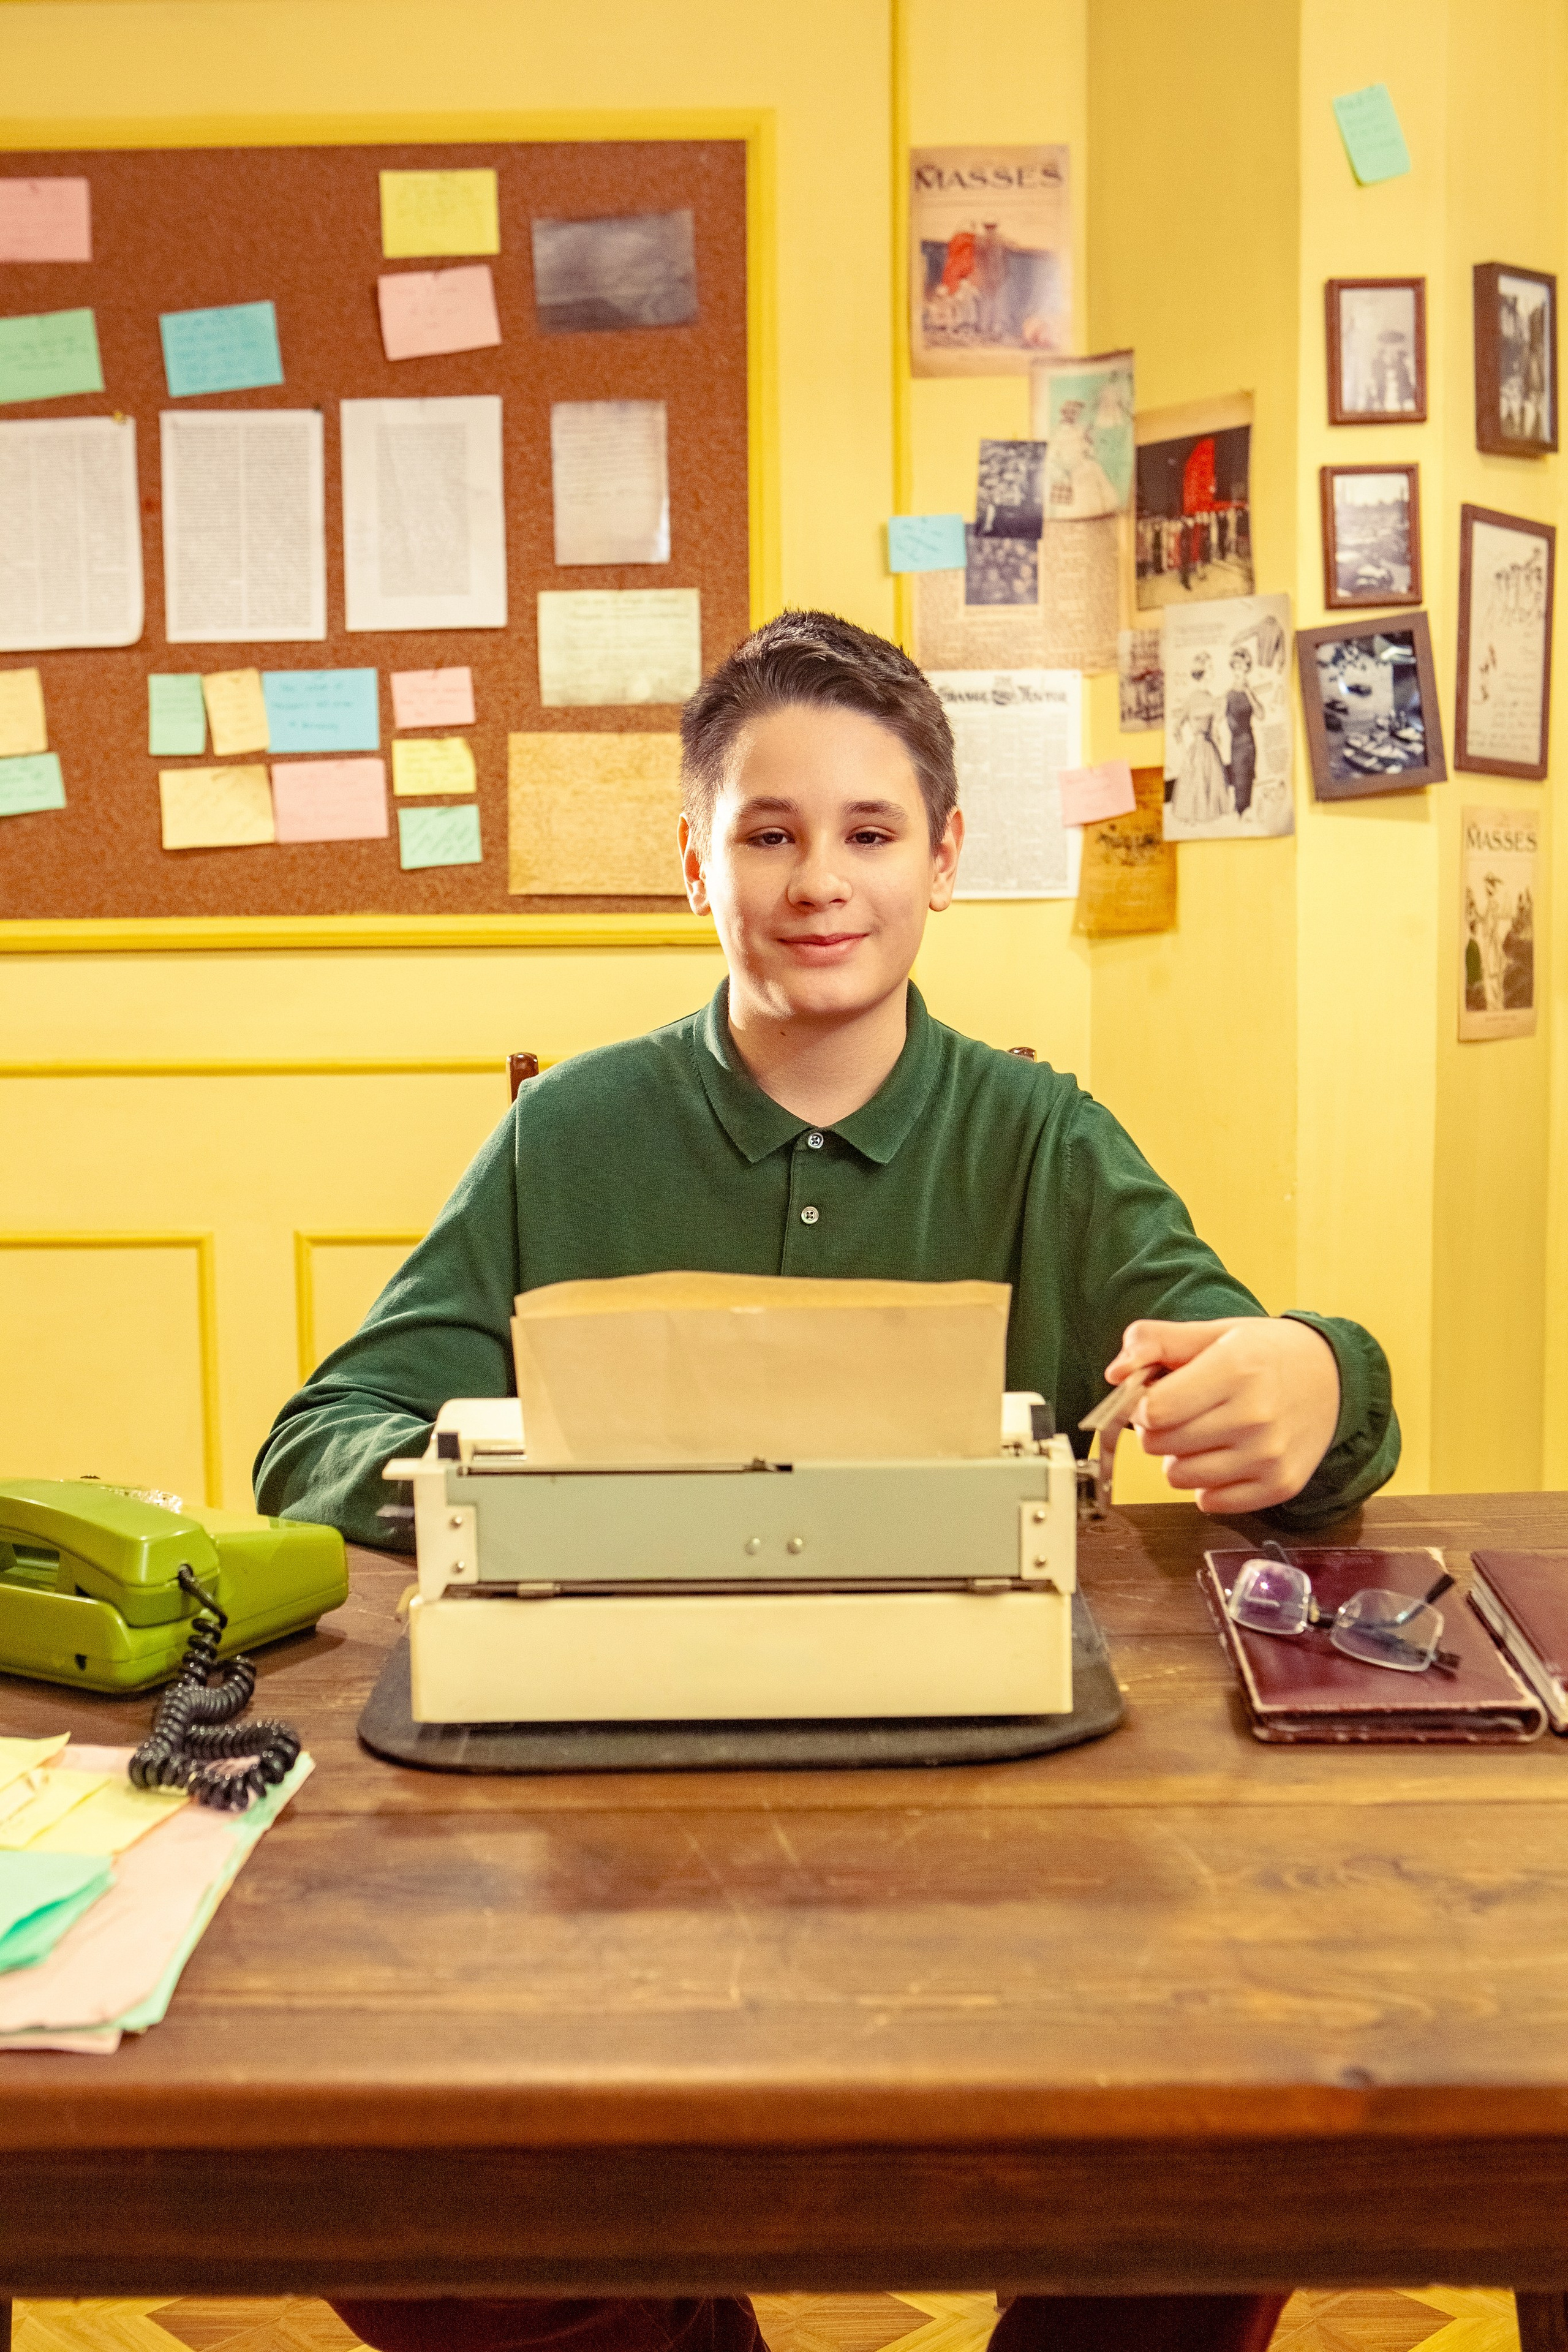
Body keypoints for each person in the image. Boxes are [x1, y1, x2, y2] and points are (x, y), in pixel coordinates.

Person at [256, 612, 1398, 2352]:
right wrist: (531, 1484)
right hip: (611, 1832)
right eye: (766, 834)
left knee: (1220, 2173)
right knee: (405, 2189)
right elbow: (320, 1440)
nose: (816, 882)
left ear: (945, 856)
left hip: (997, 1820)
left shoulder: (1038, 1137)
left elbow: (1275, 1401)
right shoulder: (567, 1134)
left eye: (868, 833)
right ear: (691, 862)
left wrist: (1315, 1379)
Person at [1169, 652, 1232, 827]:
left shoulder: (1213, 698)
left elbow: (1217, 727)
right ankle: (1195, 816)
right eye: (1210, 667)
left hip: (1210, 748)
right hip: (1197, 748)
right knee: (1195, 782)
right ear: (1203, 671)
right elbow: (1176, 729)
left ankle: (1207, 816)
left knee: (1211, 783)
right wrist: (1184, 753)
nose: (1213, 671)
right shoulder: (1192, 700)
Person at [1222, 644, 1264, 818]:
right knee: (1239, 777)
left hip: (1249, 741)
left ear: (1247, 669)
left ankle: (1245, 811)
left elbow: (1261, 715)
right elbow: (1219, 717)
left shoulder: (1250, 692)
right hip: (1235, 742)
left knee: (1249, 777)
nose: (1239, 670)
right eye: (1236, 666)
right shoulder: (1228, 694)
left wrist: (1249, 692)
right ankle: (1239, 811)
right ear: (1233, 668)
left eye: (1242, 666)